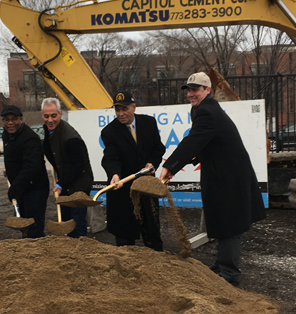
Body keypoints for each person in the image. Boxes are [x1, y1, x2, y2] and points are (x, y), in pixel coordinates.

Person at [160, 72, 266, 286]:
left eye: (195, 89)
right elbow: (207, 142)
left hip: (229, 177)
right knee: (221, 219)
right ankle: (222, 264)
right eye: (189, 90)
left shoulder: (207, 110)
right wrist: (185, 162)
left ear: (207, 90)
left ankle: (229, 274)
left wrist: (170, 166)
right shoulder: (202, 108)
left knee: (230, 224)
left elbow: (193, 141)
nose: (191, 94)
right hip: (222, 173)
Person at [101, 90, 166, 250]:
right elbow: (110, 158)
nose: (121, 114)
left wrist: (152, 163)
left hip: (147, 188)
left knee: (152, 232)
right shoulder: (109, 132)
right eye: (117, 110)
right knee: (125, 237)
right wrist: (114, 174)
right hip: (124, 191)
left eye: (125, 109)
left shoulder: (149, 123)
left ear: (134, 107)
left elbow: (158, 148)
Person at [41, 98, 93, 238]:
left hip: (79, 184)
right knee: (66, 220)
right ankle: (69, 251)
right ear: (42, 116)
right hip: (66, 181)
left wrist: (60, 183)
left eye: (53, 115)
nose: (50, 120)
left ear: (60, 114)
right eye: (46, 116)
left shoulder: (70, 138)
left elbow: (77, 166)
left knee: (77, 223)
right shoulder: (49, 130)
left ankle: (81, 252)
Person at [1, 105, 49, 238]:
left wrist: (15, 188)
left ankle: (37, 255)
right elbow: (15, 157)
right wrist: (10, 169)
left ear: (21, 119)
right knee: (24, 226)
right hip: (22, 187)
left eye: (14, 119)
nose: (10, 123)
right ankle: (28, 253)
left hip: (35, 189)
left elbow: (31, 167)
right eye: (6, 119)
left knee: (34, 227)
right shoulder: (7, 135)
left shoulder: (30, 138)